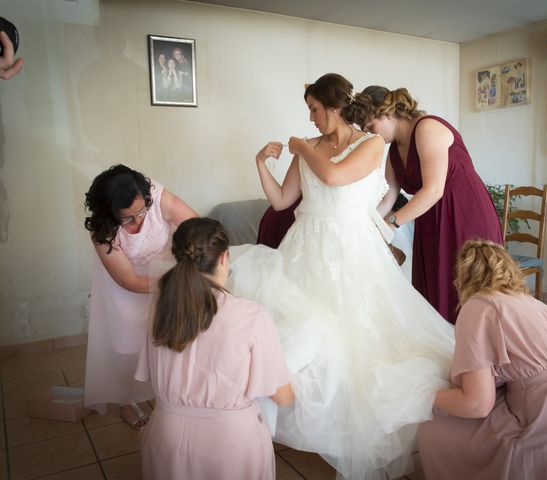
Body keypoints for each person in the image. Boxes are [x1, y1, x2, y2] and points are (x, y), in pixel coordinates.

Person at [228, 73, 455, 480]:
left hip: (353, 249)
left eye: (314, 109)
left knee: (359, 341)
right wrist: (260, 162)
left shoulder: (371, 144)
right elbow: (282, 199)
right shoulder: (309, 148)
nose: (311, 118)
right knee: (307, 336)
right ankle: (310, 423)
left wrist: (299, 146)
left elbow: (334, 177)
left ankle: (355, 428)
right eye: (308, 112)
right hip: (305, 245)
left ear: (334, 106)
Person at [418, 240, 547, 480]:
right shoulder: (536, 305)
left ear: (464, 276)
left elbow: (477, 404)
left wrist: (423, 394)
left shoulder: (478, 306)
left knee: (436, 426)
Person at [135, 217, 294, 480]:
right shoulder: (251, 316)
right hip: (229, 444)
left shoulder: (158, 309)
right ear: (224, 258)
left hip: (166, 435)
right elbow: (283, 397)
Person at [351, 86, 503, 323]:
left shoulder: (427, 128)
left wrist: (392, 223)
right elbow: (389, 195)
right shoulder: (393, 150)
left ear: (389, 114)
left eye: (371, 126)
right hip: (430, 218)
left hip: (463, 213)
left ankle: (479, 349)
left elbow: (433, 190)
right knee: (436, 286)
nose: (371, 134)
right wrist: (367, 222)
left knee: (468, 290)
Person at [83, 164, 197, 429]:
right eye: (127, 219)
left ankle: (169, 396)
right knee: (128, 344)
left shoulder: (156, 195)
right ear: (109, 214)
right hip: (125, 285)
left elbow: (196, 225)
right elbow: (129, 280)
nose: (138, 221)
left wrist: (193, 263)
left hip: (165, 267)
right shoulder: (102, 231)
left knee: (168, 336)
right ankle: (127, 401)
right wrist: (175, 282)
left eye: (141, 212)